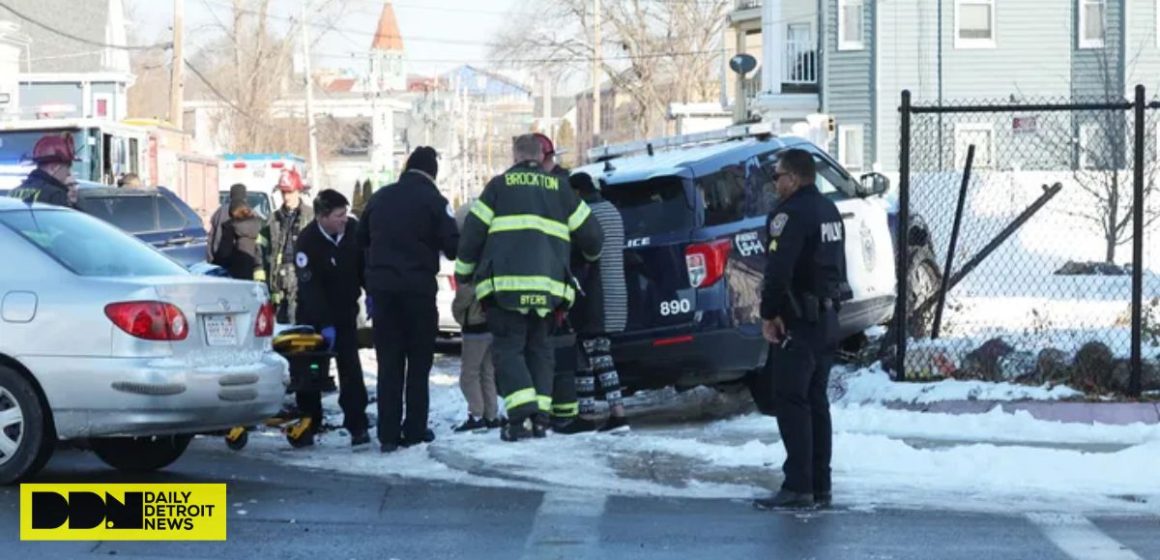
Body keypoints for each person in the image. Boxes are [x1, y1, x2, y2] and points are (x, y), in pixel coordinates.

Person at [455, 134, 603, 442]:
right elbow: (593, 237)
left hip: (505, 291)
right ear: (540, 156)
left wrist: (464, 274)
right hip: (550, 293)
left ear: (515, 156)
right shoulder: (560, 189)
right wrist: (587, 259)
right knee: (541, 350)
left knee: (509, 350)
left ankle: (521, 416)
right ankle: (541, 419)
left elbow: (472, 235)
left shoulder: (498, 187)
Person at [752, 149, 848, 511]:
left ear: (793, 177)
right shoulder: (829, 209)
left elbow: (779, 271)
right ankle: (820, 484)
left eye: (777, 176)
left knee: (791, 400)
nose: (775, 183)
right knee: (816, 401)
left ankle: (798, 486)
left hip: (799, 320)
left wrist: (769, 315)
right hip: (826, 319)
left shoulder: (789, 214)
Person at [358, 146, 459, 453]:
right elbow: (452, 247)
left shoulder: (379, 198)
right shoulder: (435, 201)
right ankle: (414, 429)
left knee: (389, 363)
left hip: (384, 293)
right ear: (432, 173)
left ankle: (388, 434)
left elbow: (360, 241)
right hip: (418, 293)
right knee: (418, 364)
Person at [293, 189, 371, 448]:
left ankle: (357, 424)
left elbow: (364, 266)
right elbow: (309, 287)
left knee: (350, 369)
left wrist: (371, 293)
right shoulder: (307, 241)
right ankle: (309, 423)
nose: (344, 219)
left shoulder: (353, 232)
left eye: (345, 214)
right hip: (315, 316)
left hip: (345, 312)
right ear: (322, 217)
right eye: (338, 215)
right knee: (312, 372)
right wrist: (324, 322)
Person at [565, 172, 630, 434]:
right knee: (588, 355)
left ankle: (617, 414)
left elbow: (582, 254)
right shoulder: (612, 210)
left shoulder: (586, 215)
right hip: (616, 294)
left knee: (599, 356)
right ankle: (587, 412)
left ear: (578, 192)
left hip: (596, 297)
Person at [450, 200, 501, 432]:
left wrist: (460, 316)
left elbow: (464, 296)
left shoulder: (471, 257)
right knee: (487, 371)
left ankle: (477, 414)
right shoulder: (493, 250)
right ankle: (492, 414)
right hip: (492, 323)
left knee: (469, 375)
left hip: (475, 326)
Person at [268, 169, 315, 324]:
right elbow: (262, 252)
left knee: (299, 326)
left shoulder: (311, 217)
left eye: (289, 192)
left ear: (298, 191)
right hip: (279, 283)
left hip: (302, 281)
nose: (286, 197)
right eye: (283, 192)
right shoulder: (273, 219)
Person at [9, 134, 78, 208]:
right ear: (54, 168)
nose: (68, 173)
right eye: (67, 168)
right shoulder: (55, 194)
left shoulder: (14, 192)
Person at [214, 198, 266, 282]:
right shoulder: (261, 224)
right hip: (259, 270)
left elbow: (224, 252)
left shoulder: (231, 226)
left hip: (237, 272)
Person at [209, 184, 248, 264]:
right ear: (245, 196)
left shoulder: (220, 212)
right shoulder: (249, 212)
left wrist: (210, 259)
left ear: (230, 195)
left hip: (219, 259)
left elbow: (211, 237)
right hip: (242, 262)